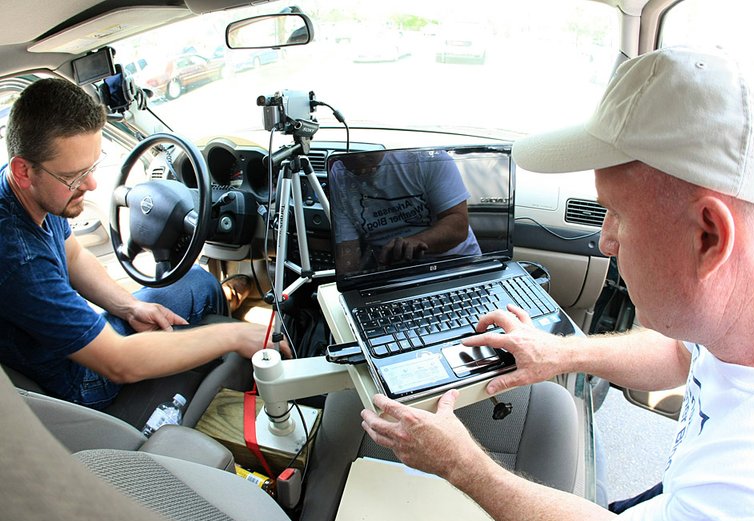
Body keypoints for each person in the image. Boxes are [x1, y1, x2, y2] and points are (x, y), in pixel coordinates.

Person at [361, 45, 754, 521]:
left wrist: (460, 463)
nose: (604, 240)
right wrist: (559, 353)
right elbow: (684, 354)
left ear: (709, 236)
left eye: (616, 213)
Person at [0, 77, 268, 412]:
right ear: (24, 171)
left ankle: (218, 327)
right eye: (74, 176)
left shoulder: (26, 189)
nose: (92, 184)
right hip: (76, 382)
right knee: (217, 312)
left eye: (93, 167)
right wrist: (238, 337)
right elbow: (118, 363)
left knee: (200, 282)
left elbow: (72, 254)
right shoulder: (19, 260)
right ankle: (224, 377)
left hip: (74, 345)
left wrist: (129, 306)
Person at [329, 149, 481, 273]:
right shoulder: (339, 175)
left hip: (456, 264)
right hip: (392, 274)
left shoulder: (426, 157)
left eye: (366, 154)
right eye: (348, 158)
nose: (360, 159)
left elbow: (458, 225)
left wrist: (416, 242)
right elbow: (347, 252)